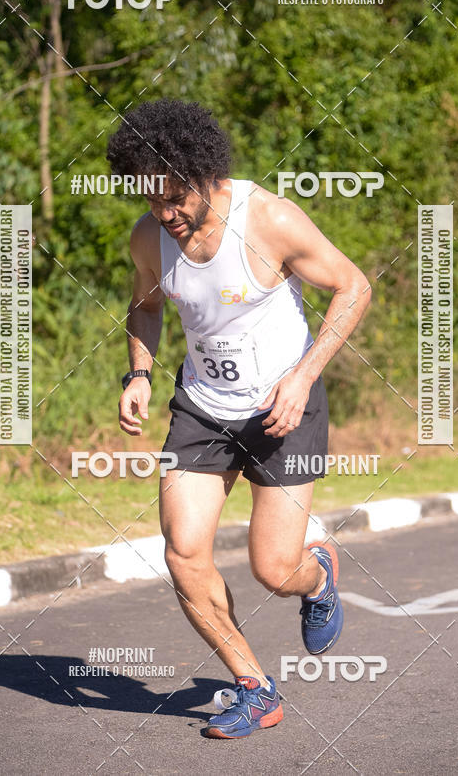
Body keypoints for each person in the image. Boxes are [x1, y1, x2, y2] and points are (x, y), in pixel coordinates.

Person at [108, 99, 371, 739]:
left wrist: (302, 376)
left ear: (205, 176)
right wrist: (139, 373)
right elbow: (144, 307)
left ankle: (318, 574)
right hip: (202, 408)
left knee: (273, 569)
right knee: (183, 551)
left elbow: (354, 285)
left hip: (284, 405)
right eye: (150, 199)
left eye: (175, 199)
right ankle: (255, 687)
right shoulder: (151, 236)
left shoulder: (269, 219)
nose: (165, 214)